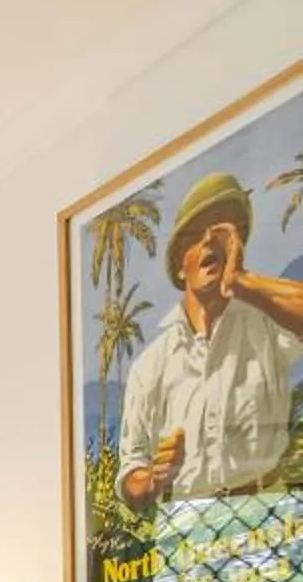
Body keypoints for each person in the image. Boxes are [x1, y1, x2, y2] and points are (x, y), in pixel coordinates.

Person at [117, 171, 303, 508]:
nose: (209, 241)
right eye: (197, 234)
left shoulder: (266, 325)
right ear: (178, 267)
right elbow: (131, 474)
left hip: (266, 509)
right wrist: (155, 477)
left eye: (221, 232)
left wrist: (242, 281)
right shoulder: (151, 365)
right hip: (187, 520)